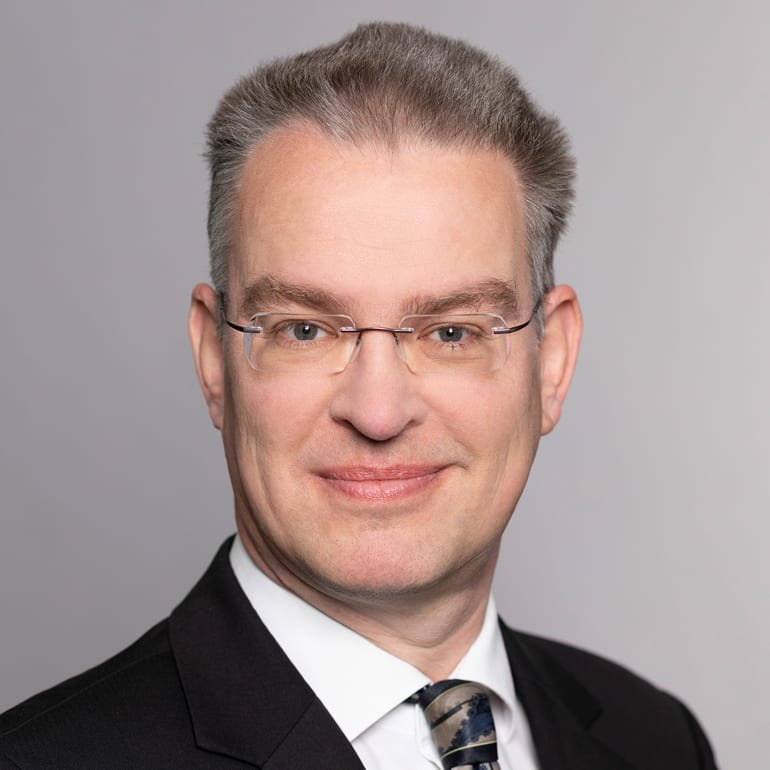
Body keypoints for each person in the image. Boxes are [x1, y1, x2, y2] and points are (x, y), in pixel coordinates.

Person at [0, 21, 717, 770]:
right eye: (305, 330)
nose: (378, 413)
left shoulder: (655, 739)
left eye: (451, 332)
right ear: (215, 359)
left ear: (552, 363)